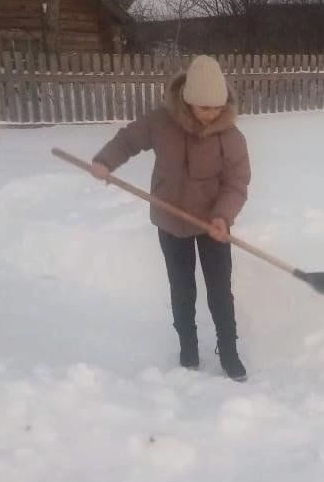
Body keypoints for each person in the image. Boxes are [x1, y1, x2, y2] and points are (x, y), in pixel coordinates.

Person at [91, 55, 251, 381]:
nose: (212, 114)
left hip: (213, 225)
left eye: (217, 107)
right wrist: (106, 160)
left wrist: (223, 216)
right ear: (188, 100)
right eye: (205, 107)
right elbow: (128, 140)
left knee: (220, 289)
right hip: (171, 220)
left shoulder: (231, 136)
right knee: (182, 287)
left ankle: (229, 349)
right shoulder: (161, 123)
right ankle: (188, 346)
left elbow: (237, 183)